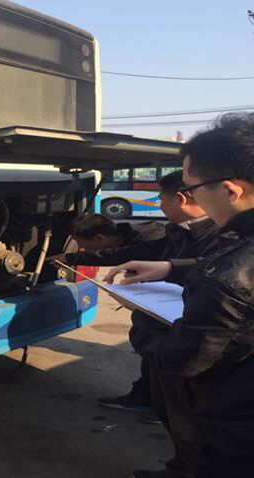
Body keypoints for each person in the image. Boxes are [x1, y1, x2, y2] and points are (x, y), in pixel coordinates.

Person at [105, 113, 254, 478]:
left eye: (193, 188)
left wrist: (141, 317)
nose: (191, 198)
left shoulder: (228, 279)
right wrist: (170, 268)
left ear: (230, 191)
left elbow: (183, 359)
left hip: (233, 427)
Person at [53, 171, 219, 420]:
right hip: (161, 316)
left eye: (161, 199)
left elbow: (211, 271)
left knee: (178, 371)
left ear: (181, 199)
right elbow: (137, 254)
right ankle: (147, 399)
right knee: (154, 361)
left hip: (186, 319)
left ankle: (168, 409)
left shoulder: (221, 235)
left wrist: (168, 270)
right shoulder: (178, 230)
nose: (159, 206)